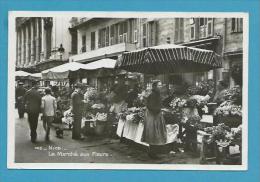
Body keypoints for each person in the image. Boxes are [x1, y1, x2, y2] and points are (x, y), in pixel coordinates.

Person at [142, 81, 167, 159]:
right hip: (154, 116)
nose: (161, 86)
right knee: (154, 133)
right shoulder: (153, 95)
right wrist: (159, 110)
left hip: (154, 115)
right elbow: (151, 106)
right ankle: (152, 153)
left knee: (154, 134)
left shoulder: (156, 94)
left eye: (161, 85)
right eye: (159, 85)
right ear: (155, 87)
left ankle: (153, 152)